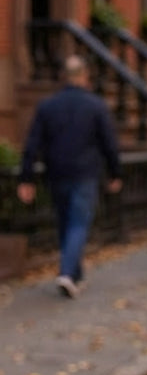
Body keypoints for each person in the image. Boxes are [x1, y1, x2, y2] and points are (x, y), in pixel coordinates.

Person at [16, 53, 122, 297]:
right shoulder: (96, 106)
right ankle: (66, 272)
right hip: (84, 173)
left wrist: (26, 177)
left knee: (66, 223)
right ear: (84, 76)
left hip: (56, 173)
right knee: (78, 223)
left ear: (64, 76)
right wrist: (115, 172)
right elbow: (109, 143)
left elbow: (32, 144)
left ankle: (75, 275)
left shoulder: (47, 106)